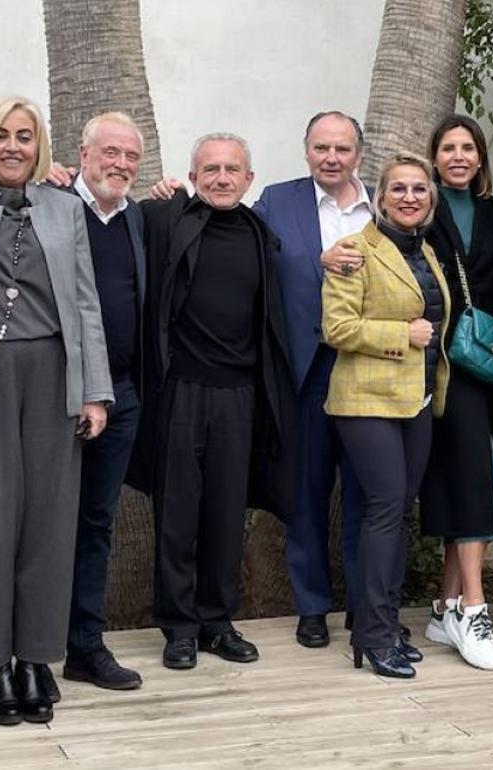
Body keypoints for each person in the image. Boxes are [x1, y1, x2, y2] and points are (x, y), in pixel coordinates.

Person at [0, 95, 113, 726]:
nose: (13, 146)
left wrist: (94, 391)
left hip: (56, 378)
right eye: (2, 135)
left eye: (25, 136)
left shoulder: (66, 209)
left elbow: (87, 306)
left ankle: (37, 661)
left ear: (41, 148)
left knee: (50, 526)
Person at [130, 133, 296, 671]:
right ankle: (178, 628)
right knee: (178, 513)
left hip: (240, 395)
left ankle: (217, 623)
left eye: (232, 170)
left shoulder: (260, 235)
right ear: (193, 175)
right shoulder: (168, 221)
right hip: (181, 392)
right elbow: (105, 211)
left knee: (227, 513)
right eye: (210, 169)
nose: (221, 178)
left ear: (249, 179)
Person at [322, 152, 451, 679]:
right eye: (398, 189)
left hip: (416, 399)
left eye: (419, 189)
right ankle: (373, 636)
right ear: (380, 196)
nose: (409, 197)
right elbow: (337, 327)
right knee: (384, 506)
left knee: (399, 512)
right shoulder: (355, 251)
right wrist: (403, 335)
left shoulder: (428, 252)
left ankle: (385, 622)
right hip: (365, 400)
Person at [253, 112, 370, 648]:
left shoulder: (384, 205)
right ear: (306, 151)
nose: (331, 157)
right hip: (307, 368)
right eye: (321, 147)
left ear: (358, 156)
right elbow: (244, 252)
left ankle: (365, 606)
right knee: (308, 491)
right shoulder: (278, 201)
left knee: (368, 493)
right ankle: (313, 606)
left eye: (341, 149)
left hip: (370, 370)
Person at [416, 115, 493, 671]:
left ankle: (445, 604)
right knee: (482, 476)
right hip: (445, 362)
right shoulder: (423, 209)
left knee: (474, 475)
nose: (458, 156)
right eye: (448, 148)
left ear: (480, 158)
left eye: (467, 148)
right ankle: (473, 608)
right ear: (435, 156)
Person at [60, 112, 148, 691]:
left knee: (96, 524)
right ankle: (25, 650)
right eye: (108, 152)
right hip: (59, 398)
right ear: (83, 154)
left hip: (121, 395)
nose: (119, 164)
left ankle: (83, 648)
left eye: (130, 157)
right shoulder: (50, 206)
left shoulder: (138, 217)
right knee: (46, 525)